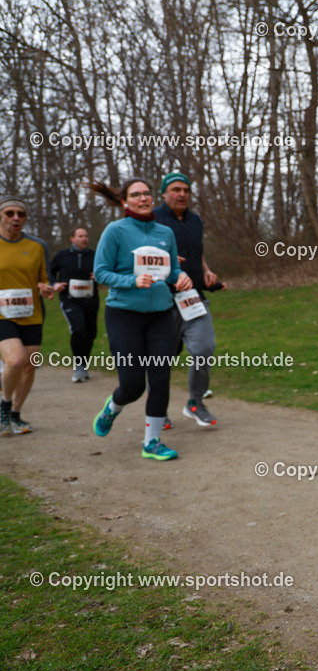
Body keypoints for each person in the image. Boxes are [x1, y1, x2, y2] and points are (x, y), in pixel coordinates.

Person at [89, 178, 192, 461]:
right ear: (125, 202)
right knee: (133, 385)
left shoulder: (165, 232)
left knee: (160, 377)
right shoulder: (115, 231)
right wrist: (133, 281)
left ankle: (152, 442)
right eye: (136, 195)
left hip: (160, 314)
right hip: (124, 315)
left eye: (146, 193)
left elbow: (171, 272)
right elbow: (100, 273)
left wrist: (180, 277)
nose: (143, 198)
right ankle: (112, 408)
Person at [153, 172, 220, 427]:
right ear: (164, 193)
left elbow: (197, 253)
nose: (182, 194)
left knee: (204, 349)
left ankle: (196, 403)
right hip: (161, 300)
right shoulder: (153, 218)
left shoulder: (195, 221)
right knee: (161, 358)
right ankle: (158, 411)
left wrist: (206, 271)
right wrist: (164, 260)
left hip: (193, 298)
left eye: (186, 190)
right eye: (175, 189)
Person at [0, 196, 54, 435]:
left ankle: (15, 414)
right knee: (15, 360)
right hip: (2, 314)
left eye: (20, 214)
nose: (16, 218)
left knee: (30, 366)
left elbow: (45, 278)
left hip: (31, 313)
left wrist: (46, 287)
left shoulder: (37, 245)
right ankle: (4, 404)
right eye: (10, 213)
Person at [49, 227, 99, 382]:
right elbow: (49, 272)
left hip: (90, 300)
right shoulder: (62, 256)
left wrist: (99, 275)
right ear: (72, 238)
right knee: (78, 329)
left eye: (86, 236)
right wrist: (54, 284)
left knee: (90, 333)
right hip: (70, 299)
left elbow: (104, 270)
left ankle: (84, 365)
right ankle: (78, 367)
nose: (84, 239)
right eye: (80, 236)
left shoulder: (95, 255)